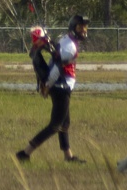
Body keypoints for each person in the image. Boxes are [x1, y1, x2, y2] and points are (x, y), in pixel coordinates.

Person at [16, 14, 89, 163]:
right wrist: (48, 85)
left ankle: (68, 156)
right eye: (80, 27)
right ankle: (25, 153)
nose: (83, 31)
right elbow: (57, 68)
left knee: (64, 123)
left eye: (85, 27)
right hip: (60, 87)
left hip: (61, 85)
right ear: (73, 28)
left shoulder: (67, 39)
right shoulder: (69, 46)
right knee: (55, 125)